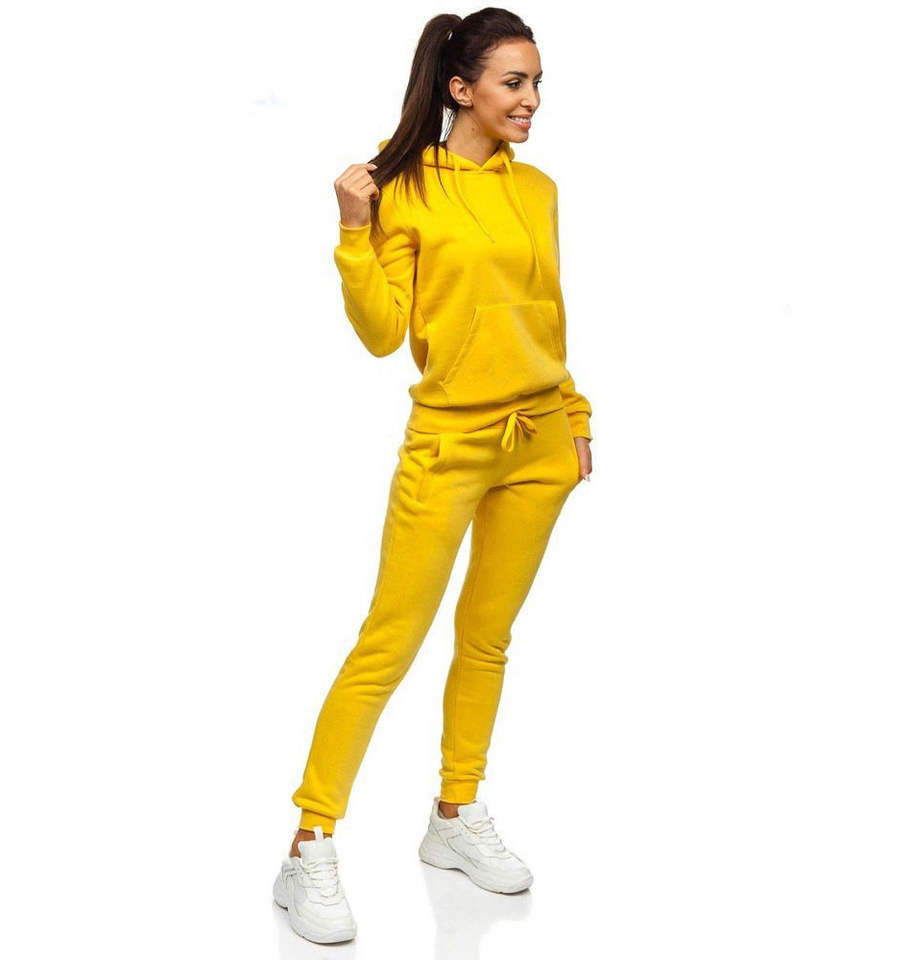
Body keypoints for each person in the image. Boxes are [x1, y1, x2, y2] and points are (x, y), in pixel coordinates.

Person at [273, 8, 593, 944]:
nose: (531, 100)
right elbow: (382, 334)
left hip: (539, 443)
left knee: (487, 638)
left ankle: (455, 814)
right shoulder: (402, 188)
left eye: (537, 83)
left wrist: (574, 420)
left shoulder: (538, 189)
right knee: (389, 643)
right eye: (514, 83)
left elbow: (546, 313)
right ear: (461, 89)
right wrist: (352, 231)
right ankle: (308, 844)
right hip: (449, 446)